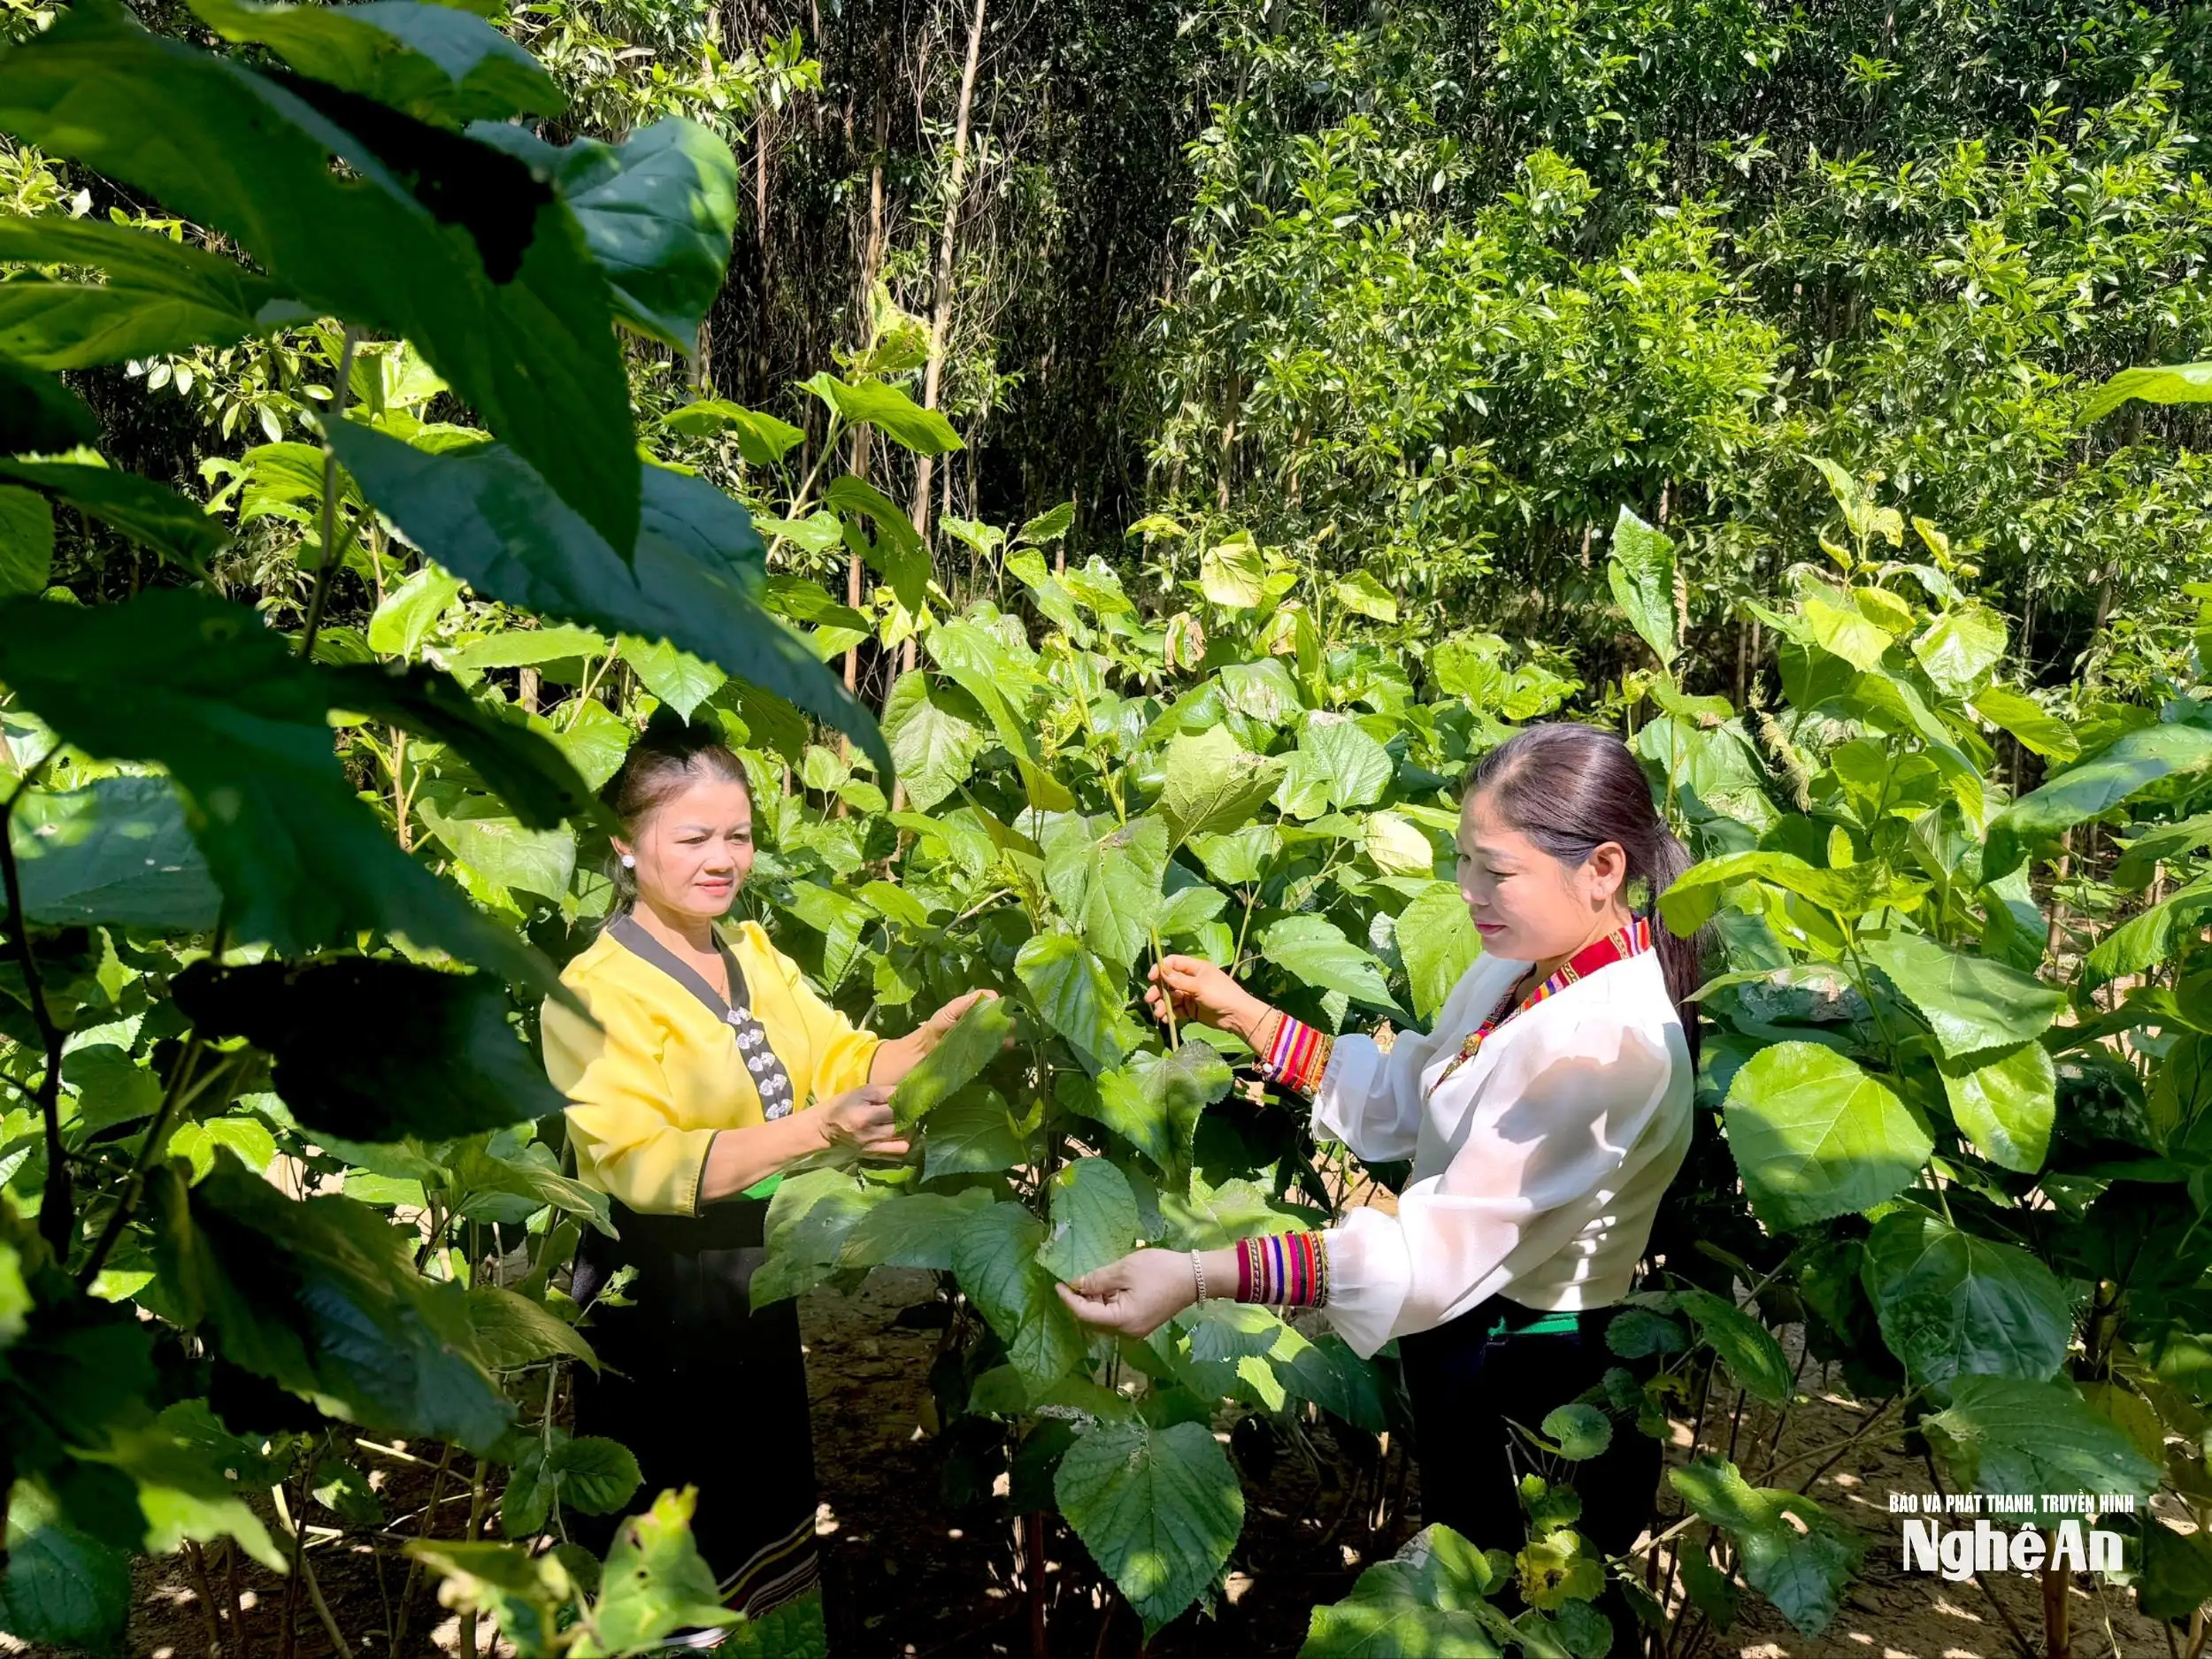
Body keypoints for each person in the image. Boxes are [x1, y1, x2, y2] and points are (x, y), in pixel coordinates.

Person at [1058, 721, 1702, 1568]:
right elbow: (1418, 1094)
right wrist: (1247, 1014)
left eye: (1497, 870)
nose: (1468, 889)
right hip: (1469, 1338)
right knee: (1465, 1579)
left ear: (1604, 868)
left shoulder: (1606, 1047)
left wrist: (1196, 1273)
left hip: (1536, 1378)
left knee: (1511, 1595)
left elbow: (1428, 1256)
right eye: (1465, 858)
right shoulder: (1526, 965)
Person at [541, 717, 996, 1652]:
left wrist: (930, 1047)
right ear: (626, 849)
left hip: (750, 1290)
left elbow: (842, 1057)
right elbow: (640, 1163)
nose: (723, 859)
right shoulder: (592, 991)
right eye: (694, 838)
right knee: (670, 1549)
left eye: (738, 836)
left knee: (760, 1520)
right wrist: (814, 1132)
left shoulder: (752, 953)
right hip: (652, 1309)